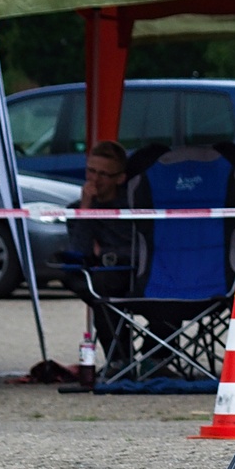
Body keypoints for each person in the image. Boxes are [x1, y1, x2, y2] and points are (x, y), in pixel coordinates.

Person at [56, 140, 134, 371]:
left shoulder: (133, 205)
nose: (94, 179)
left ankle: (158, 354)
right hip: (104, 275)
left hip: (137, 271)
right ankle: (120, 358)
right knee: (94, 287)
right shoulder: (78, 208)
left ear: (120, 178)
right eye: (91, 171)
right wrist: (86, 209)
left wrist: (109, 252)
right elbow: (80, 250)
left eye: (103, 174)